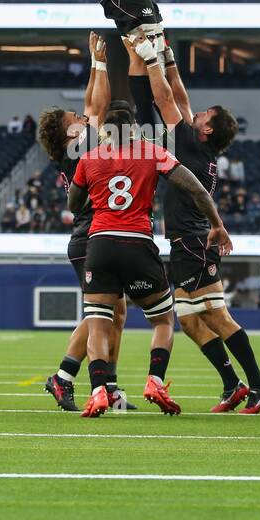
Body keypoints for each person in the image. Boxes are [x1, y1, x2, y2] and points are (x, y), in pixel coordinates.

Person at [133, 32, 260, 413]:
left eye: (203, 116)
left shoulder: (191, 143)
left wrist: (149, 59)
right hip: (186, 243)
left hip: (193, 242)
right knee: (190, 320)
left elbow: (165, 99)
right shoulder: (198, 144)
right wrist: (169, 58)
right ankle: (233, 384)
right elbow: (179, 94)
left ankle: (259, 383)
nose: (195, 114)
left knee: (215, 314)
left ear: (207, 129)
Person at [67, 100, 232, 417]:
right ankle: (154, 381)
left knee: (99, 324)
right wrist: (217, 224)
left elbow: (74, 205)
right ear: (134, 126)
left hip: (99, 244)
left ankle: (99, 391)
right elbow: (198, 190)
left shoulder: (88, 159)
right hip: (139, 244)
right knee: (162, 319)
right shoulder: (151, 151)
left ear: (105, 129)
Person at [39, 33, 132, 412]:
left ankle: (108, 385)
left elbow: (90, 107)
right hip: (91, 235)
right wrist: (98, 63)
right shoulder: (81, 146)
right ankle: (63, 376)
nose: (79, 117)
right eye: (73, 119)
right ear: (70, 133)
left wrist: (96, 62)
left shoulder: (75, 146)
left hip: (95, 234)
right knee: (102, 313)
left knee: (116, 312)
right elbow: (97, 105)